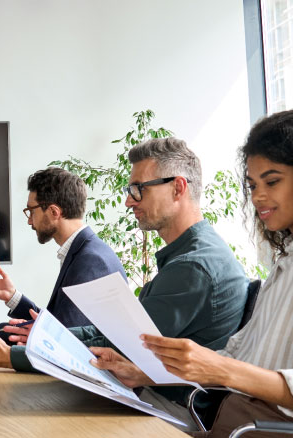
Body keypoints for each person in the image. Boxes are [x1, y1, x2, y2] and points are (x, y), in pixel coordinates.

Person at [0, 138, 248, 413]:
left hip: (168, 406)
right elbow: (110, 333)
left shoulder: (193, 266)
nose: (128, 201)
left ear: (178, 188)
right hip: (153, 394)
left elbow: (121, 345)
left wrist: (13, 352)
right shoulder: (188, 257)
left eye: (138, 189)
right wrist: (36, 335)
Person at [91, 110, 293, 436]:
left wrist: (219, 368)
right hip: (233, 416)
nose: (258, 197)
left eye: (271, 181)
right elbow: (239, 357)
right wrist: (148, 374)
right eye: (252, 185)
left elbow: (228, 367)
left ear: (177, 189)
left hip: (252, 425)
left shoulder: (196, 265)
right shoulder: (284, 264)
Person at [0, 167, 125, 342]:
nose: (29, 220)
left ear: (54, 212)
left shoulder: (91, 260)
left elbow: (62, 339)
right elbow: (59, 325)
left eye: (31, 211)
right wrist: (13, 297)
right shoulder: (85, 250)